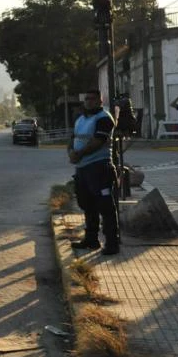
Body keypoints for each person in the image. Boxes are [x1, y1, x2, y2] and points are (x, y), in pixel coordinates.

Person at [68, 90, 120, 256]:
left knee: (106, 207)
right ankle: (91, 240)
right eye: (86, 99)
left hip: (99, 168)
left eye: (92, 99)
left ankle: (112, 243)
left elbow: (98, 141)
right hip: (82, 169)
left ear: (100, 100)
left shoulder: (104, 118)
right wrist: (71, 153)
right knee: (87, 205)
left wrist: (79, 154)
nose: (88, 102)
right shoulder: (81, 119)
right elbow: (72, 139)